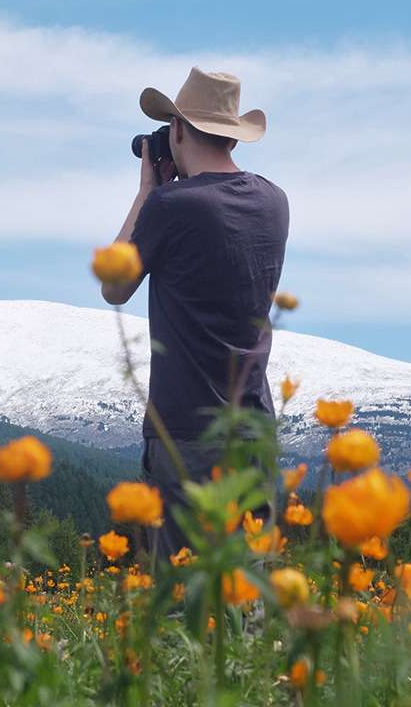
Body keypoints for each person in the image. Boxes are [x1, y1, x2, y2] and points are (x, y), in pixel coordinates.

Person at [101, 67, 289, 555]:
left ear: (178, 129)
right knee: (245, 596)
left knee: (182, 603)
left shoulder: (171, 206)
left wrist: (148, 191)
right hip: (252, 425)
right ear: (233, 136)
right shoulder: (274, 202)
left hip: (186, 432)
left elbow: (114, 286)